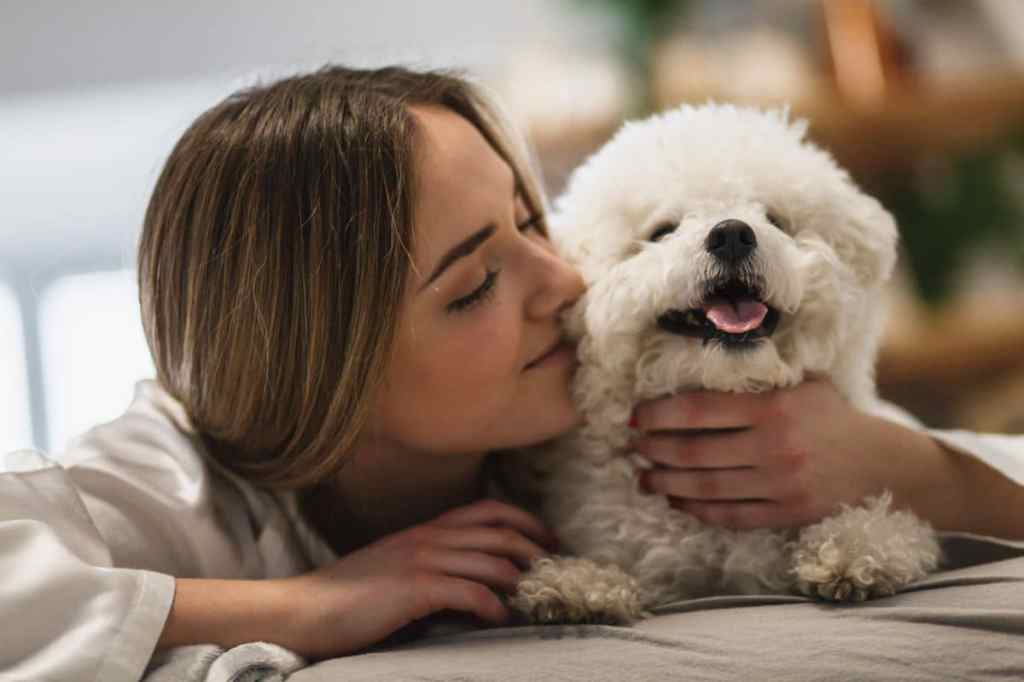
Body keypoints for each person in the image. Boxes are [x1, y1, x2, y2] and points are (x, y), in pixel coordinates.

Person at [2, 64, 1023, 682]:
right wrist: (308, 605)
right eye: (471, 285)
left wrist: (911, 468)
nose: (559, 277)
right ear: (321, 367)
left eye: (532, 220)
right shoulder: (173, 475)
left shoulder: (607, 405)